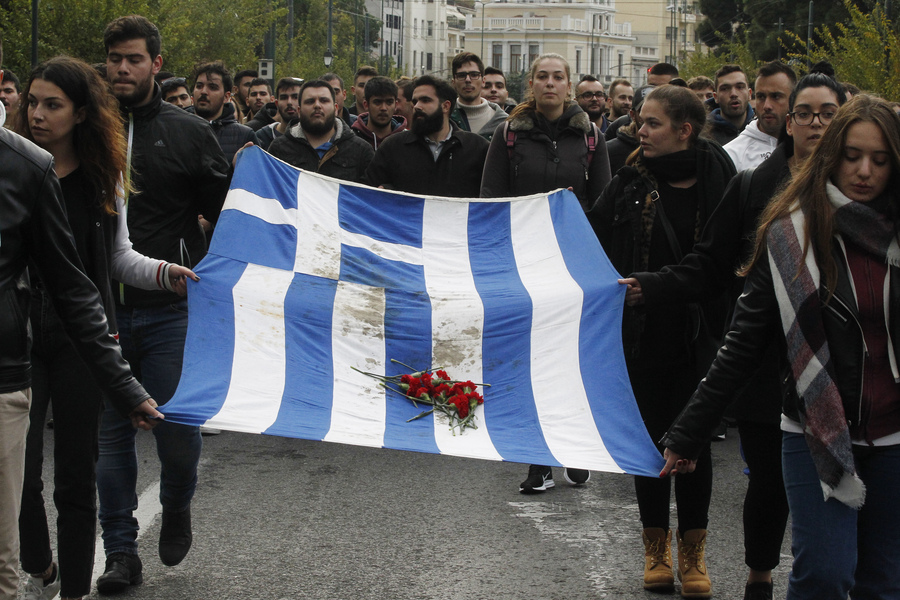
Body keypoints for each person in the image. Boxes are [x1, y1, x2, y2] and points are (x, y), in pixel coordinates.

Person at [661, 94, 900, 600]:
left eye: (880, 160)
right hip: (812, 429)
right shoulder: (790, 231)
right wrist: (689, 432)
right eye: (852, 156)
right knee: (825, 577)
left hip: (895, 438)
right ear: (830, 155)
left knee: (883, 582)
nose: (864, 171)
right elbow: (743, 341)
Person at [620, 70, 847, 600]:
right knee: (769, 485)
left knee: (840, 493)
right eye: (805, 113)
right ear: (788, 124)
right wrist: (648, 286)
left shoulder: (868, 189)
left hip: (846, 368)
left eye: (828, 113)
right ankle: (759, 578)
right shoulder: (753, 186)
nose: (815, 124)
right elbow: (711, 264)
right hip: (768, 364)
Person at [11, 55, 197, 600]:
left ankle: (72, 589)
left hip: (81, 338)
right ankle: (36, 557)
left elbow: (118, 259)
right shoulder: (13, 168)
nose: (39, 115)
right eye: (34, 102)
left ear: (82, 113)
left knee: (75, 473)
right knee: (18, 467)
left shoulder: (103, 176)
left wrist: (165, 274)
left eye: (54, 105)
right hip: (16, 335)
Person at [97, 15, 231, 593]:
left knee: (178, 436)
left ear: (156, 63)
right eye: (114, 59)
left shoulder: (188, 132)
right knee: (108, 440)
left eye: (133, 59)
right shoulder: (86, 126)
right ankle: (120, 555)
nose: (121, 68)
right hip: (100, 314)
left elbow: (227, 217)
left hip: (173, 310)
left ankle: (176, 503)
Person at [589, 84, 736, 598]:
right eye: (637, 120)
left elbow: (725, 262)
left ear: (684, 130)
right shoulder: (630, 180)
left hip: (704, 333)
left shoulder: (722, 178)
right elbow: (592, 236)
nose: (638, 129)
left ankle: (693, 557)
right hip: (644, 332)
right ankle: (656, 553)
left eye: (651, 123)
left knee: (692, 442)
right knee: (649, 441)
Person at [481, 53, 612, 494]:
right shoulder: (508, 135)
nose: (550, 84)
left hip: (573, 268)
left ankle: (574, 451)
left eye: (558, 77)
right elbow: (491, 201)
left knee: (569, 362)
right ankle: (537, 460)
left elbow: (604, 208)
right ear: (531, 84)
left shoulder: (592, 137)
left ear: (569, 84)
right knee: (527, 361)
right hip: (523, 266)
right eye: (543, 77)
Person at [365, 75, 488, 197]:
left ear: (445, 106)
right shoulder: (393, 147)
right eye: (415, 101)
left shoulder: (477, 149)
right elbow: (366, 194)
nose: (417, 106)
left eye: (425, 100)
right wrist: (388, 190)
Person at [267, 79, 374, 183]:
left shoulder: (361, 151)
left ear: (335, 108)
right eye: (310, 101)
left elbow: (371, 196)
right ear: (299, 111)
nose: (317, 105)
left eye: (324, 100)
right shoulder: (279, 149)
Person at [725, 61, 797, 171]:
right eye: (761, 97)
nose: (767, 106)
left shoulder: (808, 146)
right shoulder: (731, 155)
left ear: (794, 99)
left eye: (776, 96)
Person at [192, 61, 258, 163]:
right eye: (199, 86)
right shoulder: (177, 128)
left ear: (226, 97)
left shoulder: (244, 136)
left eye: (212, 87)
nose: (204, 91)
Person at [449, 52, 508, 141]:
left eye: (474, 75)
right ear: (453, 82)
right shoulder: (445, 119)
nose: (468, 80)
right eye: (461, 75)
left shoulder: (504, 122)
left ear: (483, 81)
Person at [351, 76, 407, 150]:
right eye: (377, 102)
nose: (383, 108)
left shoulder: (407, 141)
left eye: (389, 102)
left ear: (395, 105)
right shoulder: (351, 139)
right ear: (366, 104)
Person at [708, 64, 754, 146]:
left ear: (749, 94)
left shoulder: (762, 131)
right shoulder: (704, 136)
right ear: (716, 97)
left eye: (740, 87)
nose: (733, 94)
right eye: (725, 89)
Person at [254, 77, 301, 151]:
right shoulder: (261, 137)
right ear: (276, 103)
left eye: (295, 97)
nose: (289, 102)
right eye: (284, 97)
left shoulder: (312, 138)